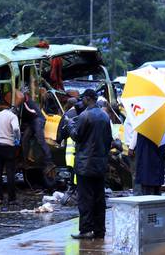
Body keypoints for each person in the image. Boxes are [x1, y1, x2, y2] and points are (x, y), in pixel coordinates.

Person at [68, 89, 112, 240]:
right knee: (99, 199)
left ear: (87, 99)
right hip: (100, 164)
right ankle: (100, 230)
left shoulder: (85, 116)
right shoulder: (105, 116)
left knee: (85, 199)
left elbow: (77, 136)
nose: (82, 102)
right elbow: (108, 140)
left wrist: (69, 126)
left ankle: (86, 229)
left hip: (85, 165)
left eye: (83, 99)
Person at [0, 102, 21, 205]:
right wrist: (17, 138)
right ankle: (11, 199)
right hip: (8, 147)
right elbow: (15, 128)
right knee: (10, 172)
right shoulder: (13, 116)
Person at [20, 91, 55, 172]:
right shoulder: (24, 101)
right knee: (24, 139)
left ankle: (50, 163)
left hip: (37, 119)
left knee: (40, 140)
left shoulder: (27, 102)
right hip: (32, 120)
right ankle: (25, 162)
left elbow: (32, 112)